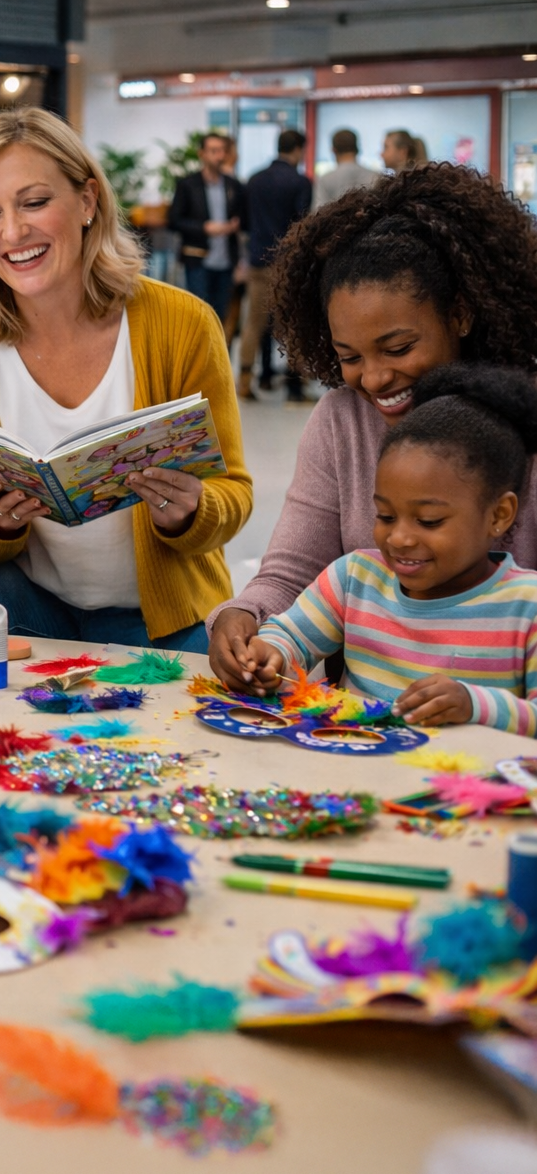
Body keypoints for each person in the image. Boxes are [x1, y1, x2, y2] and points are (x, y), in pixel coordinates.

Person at [0, 107, 253, 652]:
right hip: (30, 604)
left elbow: (232, 494)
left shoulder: (182, 322)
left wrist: (190, 512)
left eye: (35, 203)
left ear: (87, 201)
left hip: (157, 612)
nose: (14, 233)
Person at [206, 162, 537, 686]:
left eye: (399, 347)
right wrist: (245, 617)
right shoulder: (342, 422)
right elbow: (293, 573)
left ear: (462, 313)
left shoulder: (525, 419)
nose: (376, 378)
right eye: (349, 356)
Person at [235, 365, 537, 735]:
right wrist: (270, 654)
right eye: (386, 515)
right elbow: (292, 636)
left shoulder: (527, 607)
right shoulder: (355, 580)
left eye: (428, 521)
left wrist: (474, 705)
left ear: (499, 515)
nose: (399, 539)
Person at [237, 129, 311, 402]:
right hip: (287, 264)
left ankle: (244, 382)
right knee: (292, 325)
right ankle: (294, 387)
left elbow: (244, 222)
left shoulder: (254, 180)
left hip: (257, 260)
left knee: (253, 323)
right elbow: (301, 225)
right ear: (298, 149)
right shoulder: (300, 182)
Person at [169, 131, 247, 318]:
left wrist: (236, 224)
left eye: (222, 151)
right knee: (199, 315)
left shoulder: (232, 185)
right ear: (202, 154)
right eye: (213, 150)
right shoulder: (188, 185)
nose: (219, 156)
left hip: (226, 260)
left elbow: (242, 216)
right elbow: (173, 220)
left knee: (221, 315)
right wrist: (204, 228)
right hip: (198, 258)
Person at [313, 128, 379, 209]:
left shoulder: (325, 180)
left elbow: (318, 212)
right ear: (357, 149)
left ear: (333, 150)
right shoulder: (376, 176)